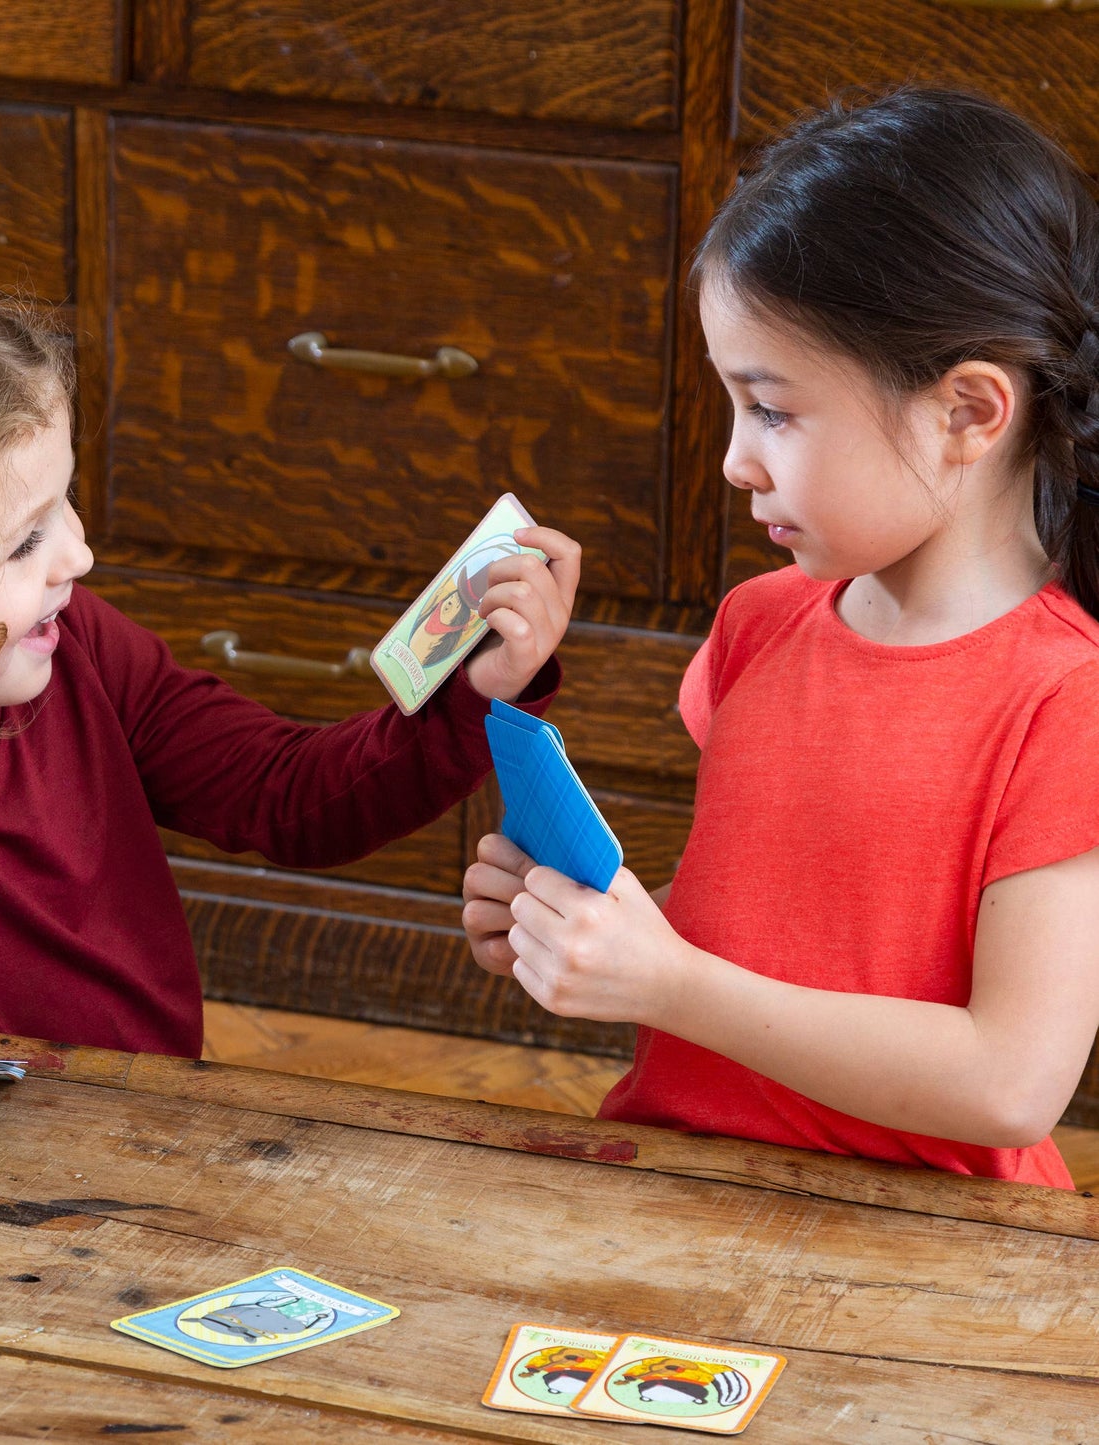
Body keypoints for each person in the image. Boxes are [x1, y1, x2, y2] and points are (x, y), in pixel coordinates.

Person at [0, 252, 581, 1132]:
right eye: (22, 543)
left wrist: (474, 694)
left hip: (145, 1128)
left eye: (63, 503)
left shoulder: (72, 641)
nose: (77, 555)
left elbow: (291, 797)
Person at [461, 87, 1099, 1187]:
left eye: (772, 408)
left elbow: (1008, 1080)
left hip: (932, 1253)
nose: (732, 460)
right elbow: (781, 942)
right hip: (679, 1181)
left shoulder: (1065, 697)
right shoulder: (758, 624)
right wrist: (591, 935)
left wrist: (666, 983)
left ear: (966, 412)